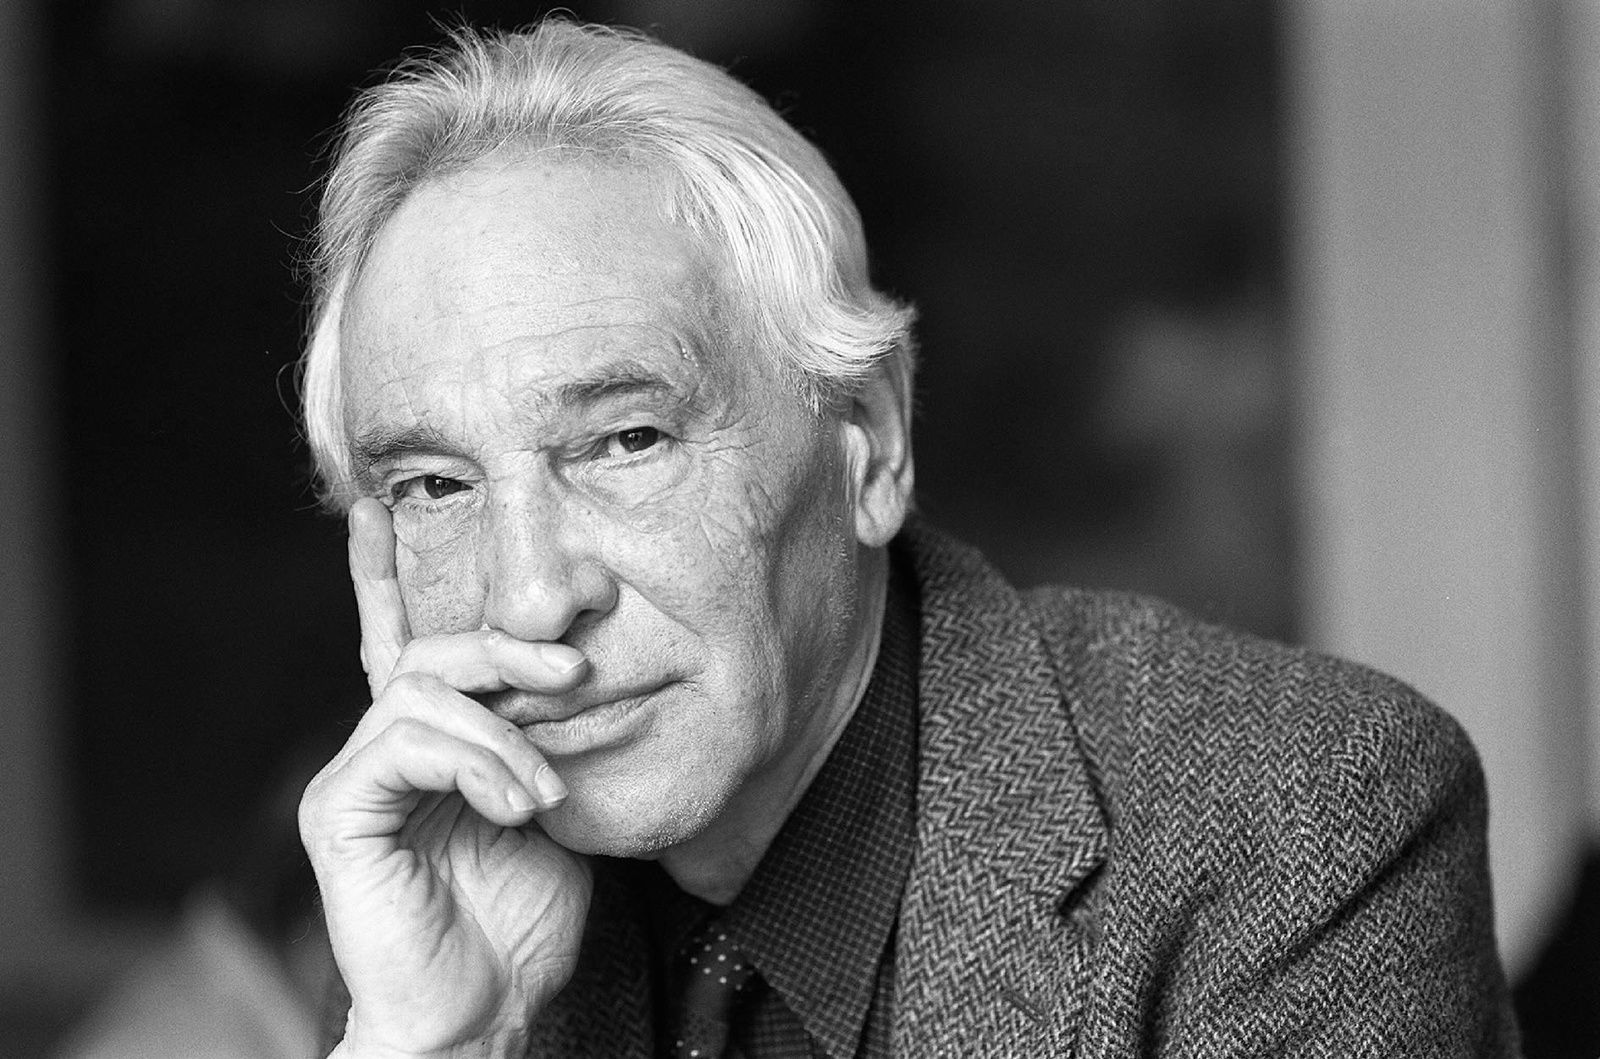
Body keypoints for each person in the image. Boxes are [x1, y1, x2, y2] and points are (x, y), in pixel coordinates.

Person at [294, 18, 1520, 1058]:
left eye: (627, 440)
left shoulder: (1296, 819)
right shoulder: (442, 913)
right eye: (437, 485)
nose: (528, 598)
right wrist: (430, 1046)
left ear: (869, 443)